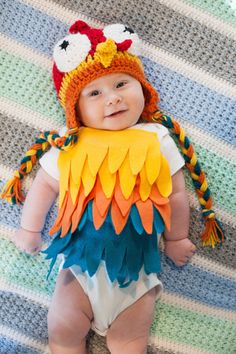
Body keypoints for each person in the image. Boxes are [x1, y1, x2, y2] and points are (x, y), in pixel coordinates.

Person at [1, 20, 224, 354]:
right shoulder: (71, 143)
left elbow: (175, 193)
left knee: (129, 340)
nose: (113, 99)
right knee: (62, 329)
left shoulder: (155, 138)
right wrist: (29, 229)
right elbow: (45, 186)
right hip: (78, 269)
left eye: (122, 83)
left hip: (136, 275)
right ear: (75, 108)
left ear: (143, 89)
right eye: (95, 93)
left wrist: (177, 237)